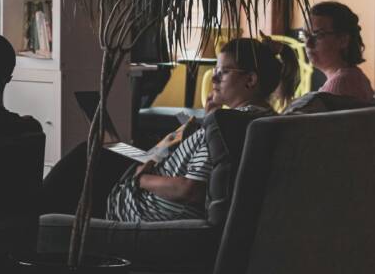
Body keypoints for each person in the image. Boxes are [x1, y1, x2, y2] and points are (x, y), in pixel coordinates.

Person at [42, 37, 298, 221]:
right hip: (152, 173)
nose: (216, 78)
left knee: (81, 163)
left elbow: (190, 190)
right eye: (216, 71)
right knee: (102, 149)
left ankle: (26, 233)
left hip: (141, 203)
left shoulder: (228, 124)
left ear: (250, 80)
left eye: (224, 71)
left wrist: (140, 178)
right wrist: (208, 119)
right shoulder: (258, 118)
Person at [303, 1, 373, 103]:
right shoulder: (353, 76)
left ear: (343, 40)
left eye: (318, 35)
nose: (308, 44)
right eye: (305, 35)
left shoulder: (341, 83)